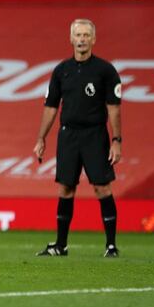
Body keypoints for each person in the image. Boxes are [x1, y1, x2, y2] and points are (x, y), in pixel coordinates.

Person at [33, 19, 122, 258]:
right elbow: (51, 107)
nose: (82, 39)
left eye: (86, 35)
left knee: (102, 187)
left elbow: (113, 107)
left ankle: (111, 245)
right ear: (71, 39)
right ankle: (61, 245)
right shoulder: (61, 71)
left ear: (93, 39)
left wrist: (117, 140)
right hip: (68, 135)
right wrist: (41, 138)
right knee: (65, 188)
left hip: (95, 134)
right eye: (78, 35)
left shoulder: (105, 70)